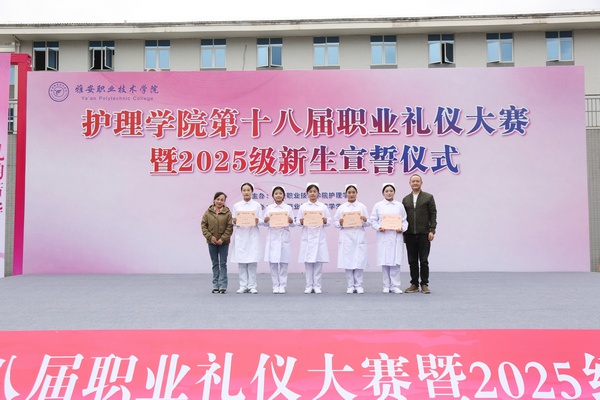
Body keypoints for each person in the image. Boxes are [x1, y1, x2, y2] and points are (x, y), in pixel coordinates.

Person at [402, 174, 437, 294]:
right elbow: (403, 217)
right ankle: (414, 284)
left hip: (424, 234)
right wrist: (403, 233)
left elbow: (433, 214)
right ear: (410, 183)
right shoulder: (406, 199)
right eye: (413, 181)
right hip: (409, 234)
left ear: (421, 183)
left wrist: (432, 230)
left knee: (423, 260)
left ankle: (424, 284)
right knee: (412, 261)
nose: (415, 183)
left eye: (417, 181)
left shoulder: (428, 197)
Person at [370, 183, 408, 294]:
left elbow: (404, 221)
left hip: (396, 236)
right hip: (384, 236)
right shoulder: (378, 205)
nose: (389, 193)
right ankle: (386, 285)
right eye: (386, 191)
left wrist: (402, 228)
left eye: (391, 191)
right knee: (385, 262)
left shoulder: (399, 205)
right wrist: (379, 227)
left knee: (395, 263)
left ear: (394, 192)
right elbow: (373, 220)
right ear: (383, 193)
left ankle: (395, 286)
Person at [334, 184, 370, 294]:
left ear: (356, 193)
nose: (351, 194)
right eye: (349, 192)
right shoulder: (342, 208)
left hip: (358, 237)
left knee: (359, 262)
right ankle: (350, 285)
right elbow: (335, 223)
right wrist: (340, 222)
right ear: (346, 194)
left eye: (353, 192)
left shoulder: (362, 207)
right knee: (348, 262)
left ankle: (359, 285)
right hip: (347, 238)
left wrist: (365, 220)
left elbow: (368, 223)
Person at [297, 183, 331, 294]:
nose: (312, 193)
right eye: (310, 191)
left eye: (314, 191)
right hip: (307, 237)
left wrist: (325, 221)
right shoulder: (303, 207)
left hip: (319, 238)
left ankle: (317, 286)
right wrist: (301, 222)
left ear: (318, 193)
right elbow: (297, 222)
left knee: (318, 264)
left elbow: (329, 221)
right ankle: (308, 286)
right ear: (307, 193)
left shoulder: (323, 207)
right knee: (308, 264)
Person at [231, 182, 263, 294]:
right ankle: (243, 285)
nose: (246, 192)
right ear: (241, 192)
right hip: (241, 235)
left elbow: (261, 220)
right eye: (244, 190)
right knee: (242, 262)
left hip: (252, 235)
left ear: (252, 191)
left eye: (248, 190)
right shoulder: (237, 205)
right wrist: (234, 221)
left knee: (252, 262)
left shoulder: (257, 205)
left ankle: (252, 286)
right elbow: (233, 221)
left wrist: (258, 220)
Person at [263, 186, 295, 294]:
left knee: (284, 264)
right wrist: (266, 220)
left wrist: (291, 221)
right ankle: (275, 285)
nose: (278, 195)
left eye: (280, 193)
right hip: (273, 237)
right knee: (273, 263)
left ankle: (282, 285)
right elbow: (265, 224)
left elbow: (293, 224)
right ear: (273, 195)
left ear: (284, 195)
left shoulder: (288, 208)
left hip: (284, 236)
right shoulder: (269, 208)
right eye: (276, 193)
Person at [201, 191, 233, 294]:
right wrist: (210, 237)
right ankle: (215, 285)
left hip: (224, 243)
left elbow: (229, 228)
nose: (219, 201)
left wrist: (222, 239)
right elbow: (203, 226)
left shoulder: (228, 213)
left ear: (224, 201)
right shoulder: (208, 212)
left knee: (223, 264)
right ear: (214, 200)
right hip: (212, 243)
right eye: (218, 199)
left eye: (222, 200)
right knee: (215, 264)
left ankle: (223, 286)